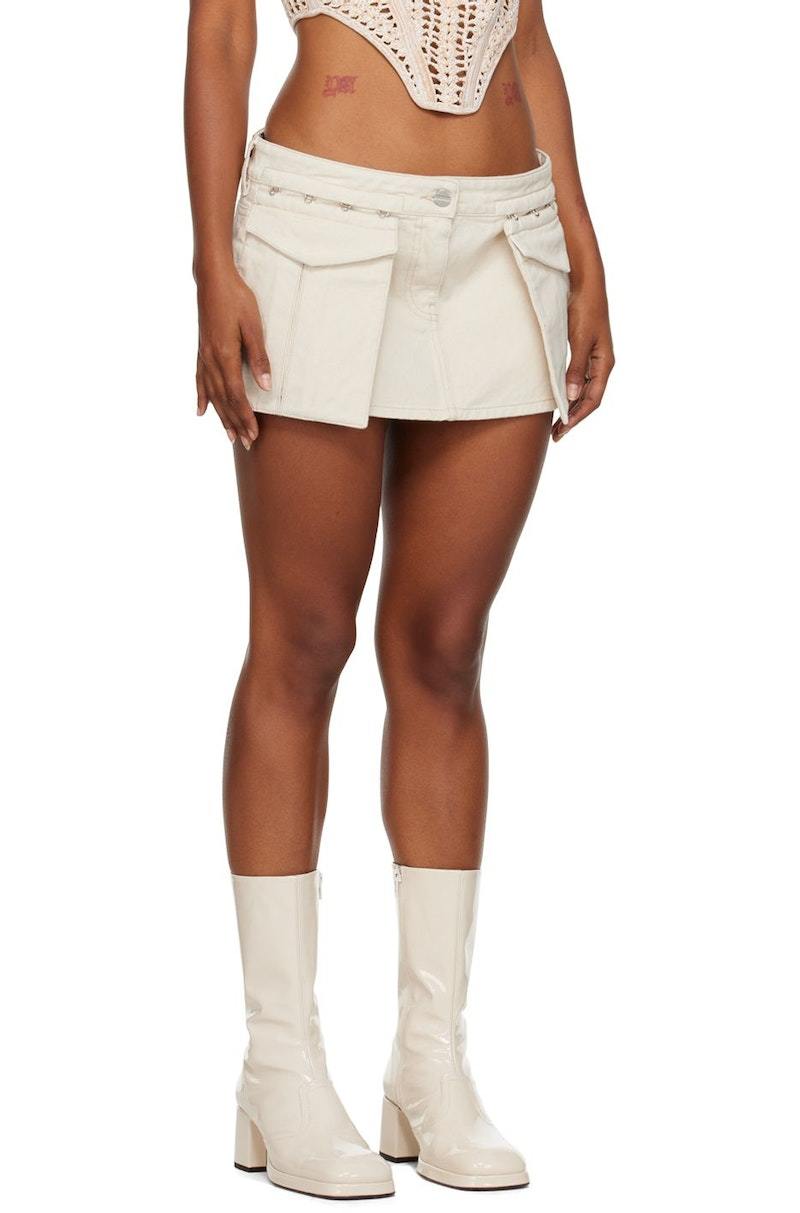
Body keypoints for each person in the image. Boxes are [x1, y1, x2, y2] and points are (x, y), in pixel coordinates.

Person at [185, 0, 613, 1198]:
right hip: (318, 223)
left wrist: (582, 244)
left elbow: (528, 36)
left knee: (444, 650)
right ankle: (278, 1065)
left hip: (506, 233)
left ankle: (429, 1064)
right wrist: (212, 262)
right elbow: (219, 38)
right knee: (302, 641)